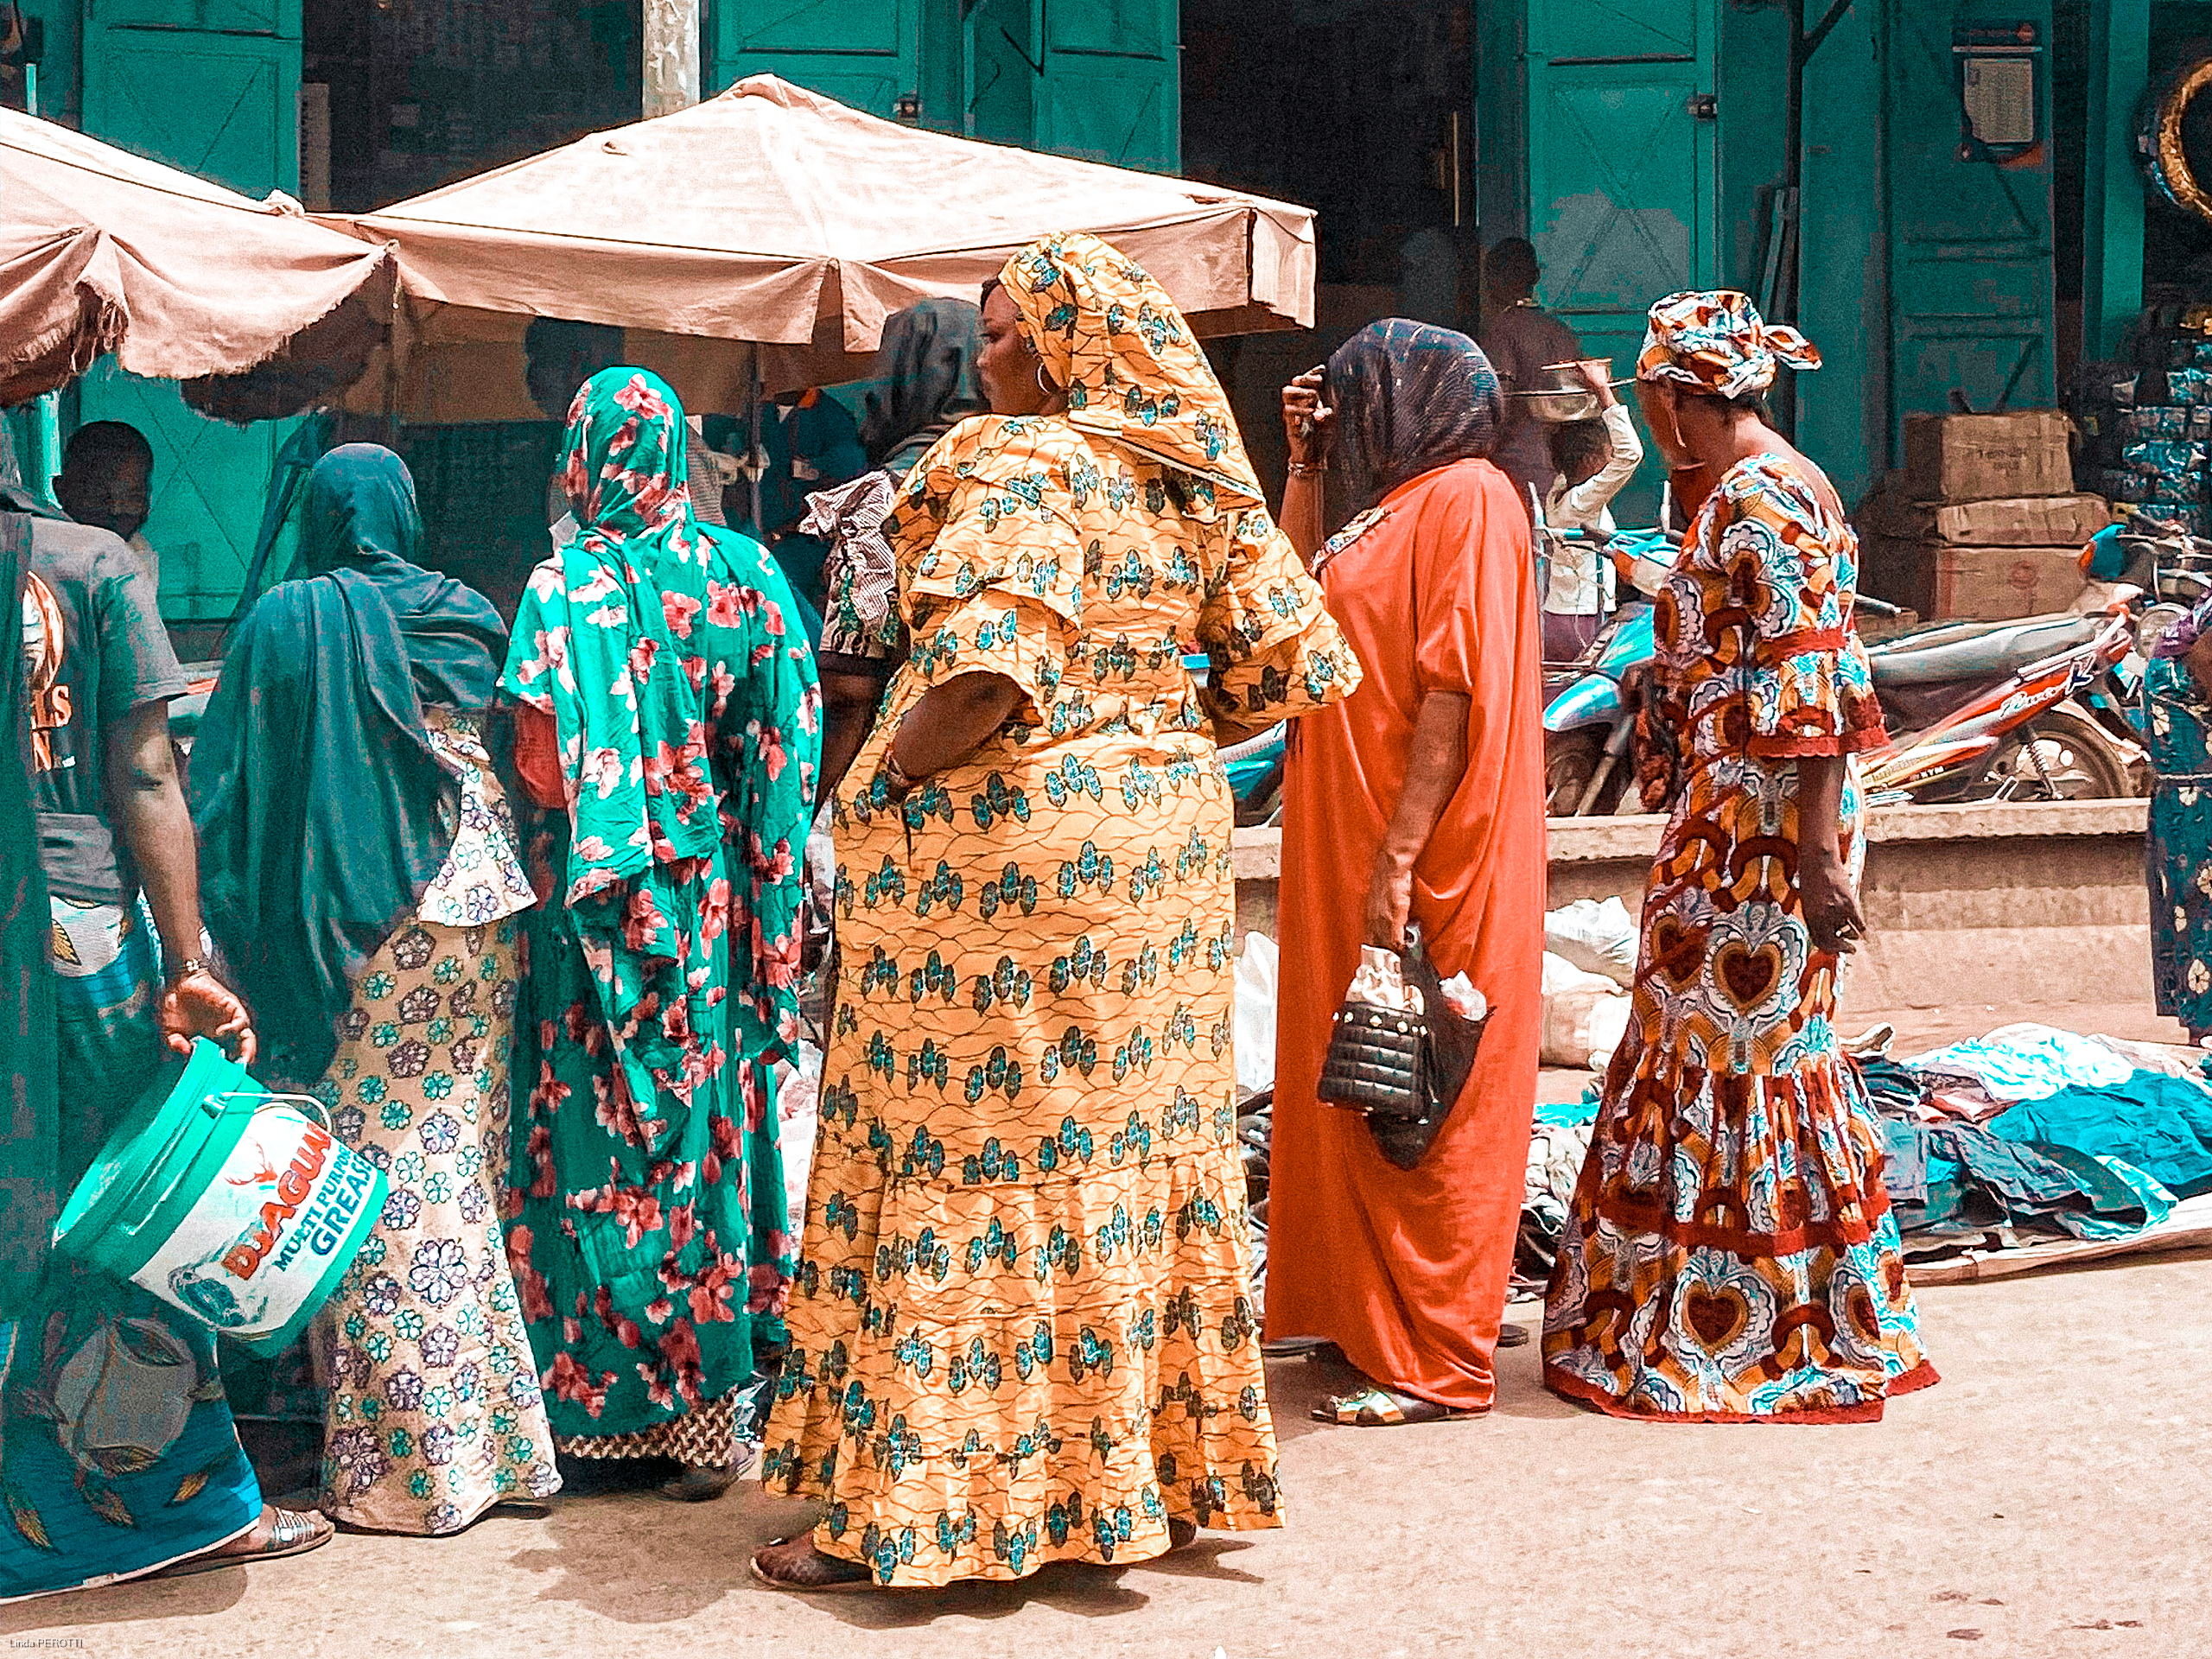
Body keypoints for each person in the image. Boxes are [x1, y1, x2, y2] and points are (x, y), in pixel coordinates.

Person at [753, 232, 1358, 1590]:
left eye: (1011, 331)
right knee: (1129, 1155)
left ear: (1072, 343)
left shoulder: (1023, 463)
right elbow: (1278, 674)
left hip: (1010, 880)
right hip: (1160, 871)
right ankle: (1136, 1487)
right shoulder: (1180, 475)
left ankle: (922, 1512)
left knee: (973, 1159)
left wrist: (879, 780)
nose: (985, 353)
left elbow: (983, 674)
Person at [1541, 290, 1937, 1422]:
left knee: (1745, 1066)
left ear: (1674, 398)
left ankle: (1760, 1335)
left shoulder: (1765, 498)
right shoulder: (1735, 491)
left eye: (1653, 389)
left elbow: (1813, 676)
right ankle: (1706, 1318)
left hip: (1768, 837)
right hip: (1735, 817)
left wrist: (1817, 864)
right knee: (1705, 1053)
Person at [190, 445, 559, 1534]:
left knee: (367, 1183)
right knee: (453, 1170)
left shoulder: (286, 617)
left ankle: (416, 1472)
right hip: (483, 899)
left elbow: (218, 781)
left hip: (370, 916)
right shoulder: (460, 609)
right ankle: (507, 1450)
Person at [0, 425, 328, 1600]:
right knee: (118, 1220)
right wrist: (186, 960)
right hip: (76, 931)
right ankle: (156, 1512)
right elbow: (146, 774)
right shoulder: (88, 567)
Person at [499, 368, 817, 1503]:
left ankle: (599, 1421)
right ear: (678, 453)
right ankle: (709, 1422)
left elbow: (542, 771)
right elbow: (790, 764)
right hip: (715, 910)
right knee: (703, 1140)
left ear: (585, 457)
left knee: (596, 1147)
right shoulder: (752, 579)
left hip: (592, 922)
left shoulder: (561, 588)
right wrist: (764, 908)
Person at [1265, 321, 1547, 1426]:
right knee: (1360, 1069)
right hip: (1350, 836)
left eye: (1353, 396)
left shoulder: (1471, 496)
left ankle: (1433, 1351)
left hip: (1423, 846)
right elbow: (1282, 617)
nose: (1346, 409)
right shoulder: (1385, 505)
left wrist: (1398, 856)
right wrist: (1304, 465)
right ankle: (1361, 1318)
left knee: (1432, 1078)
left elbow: (1453, 688)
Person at [798, 296, 989, 803]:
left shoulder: (881, 501)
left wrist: (806, 819)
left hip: (906, 788)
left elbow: (849, 691)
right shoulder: (1025, 478)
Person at [1539, 358, 1645, 660]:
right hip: (1582, 617)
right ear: (1589, 460)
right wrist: (1602, 390)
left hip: (1556, 615)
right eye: (1605, 453)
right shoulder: (1582, 501)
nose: (1609, 458)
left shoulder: (1559, 491)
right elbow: (1630, 454)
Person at [2142, 596, 2212, 1042]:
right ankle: (2204, 1020)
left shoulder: (2168, 660)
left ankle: (2200, 1019)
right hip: (2197, 809)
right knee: (2201, 913)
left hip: (2180, 807)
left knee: (2193, 913)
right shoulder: (2180, 677)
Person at [1480, 237, 1584, 522]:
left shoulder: (1502, 331)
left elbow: (1500, 399)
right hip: (1566, 463)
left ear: (1492, 280)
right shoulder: (1561, 331)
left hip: (1517, 464)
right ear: (1535, 276)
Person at [54, 420, 160, 588]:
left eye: (131, 497)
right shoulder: (41, 553)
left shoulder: (139, 554)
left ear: (148, 501)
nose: (116, 509)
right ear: (61, 490)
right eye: (99, 495)